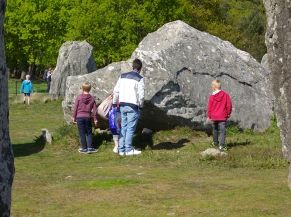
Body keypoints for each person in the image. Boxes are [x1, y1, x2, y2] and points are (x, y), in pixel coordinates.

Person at [113, 59, 145, 156]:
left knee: (123, 127)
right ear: (140, 68)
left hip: (122, 104)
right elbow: (141, 95)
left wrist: (114, 102)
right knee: (130, 128)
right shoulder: (140, 78)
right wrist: (141, 105)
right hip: (133, 105)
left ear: (133, 66)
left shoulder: (122, 76)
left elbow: (116, 90)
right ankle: (128, 149)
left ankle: (121, 149)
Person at [73, 82, 98, 154]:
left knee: (82, 133)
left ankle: (84, 148)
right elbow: (94, 110)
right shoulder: (92, 98)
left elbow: (75, 108)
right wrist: (95, 119)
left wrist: (73, 117)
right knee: (89, 133)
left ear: (82, 88)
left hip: (79, 117)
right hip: (87, 117)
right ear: (90, 89)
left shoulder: (79, 97)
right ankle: (90, 148)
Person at [207, 80, 232, 152]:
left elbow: (210, 107)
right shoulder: (226, 95)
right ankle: (222, 146)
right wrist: (228, 113)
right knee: (222, 131)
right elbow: (229, 105)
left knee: (215, 129)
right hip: (222, 116)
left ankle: (215, 142)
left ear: (214, 87)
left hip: (214, 116)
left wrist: (209, 115)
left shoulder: (212, 96)